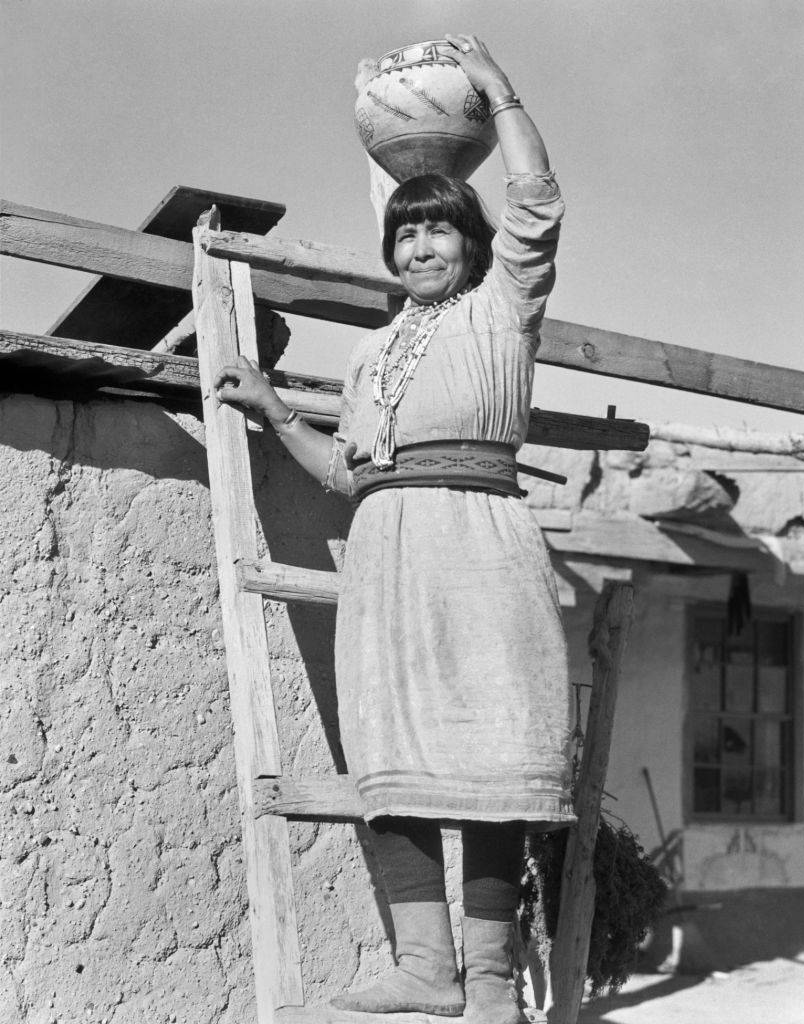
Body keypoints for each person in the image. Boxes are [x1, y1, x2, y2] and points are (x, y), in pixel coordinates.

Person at [214, 34, 571, 1024]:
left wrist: (499, 89)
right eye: (405, 237)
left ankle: (493, 978)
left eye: (438, 233)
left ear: (470, 243)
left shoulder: (506, 309)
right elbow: (346, 471)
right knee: (389, 751)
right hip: (387, 555)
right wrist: (276, 410)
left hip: (483, 542)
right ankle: (427, 966)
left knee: (500, 755)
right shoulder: (373, 353)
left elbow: (539, 200)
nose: (420, 248)